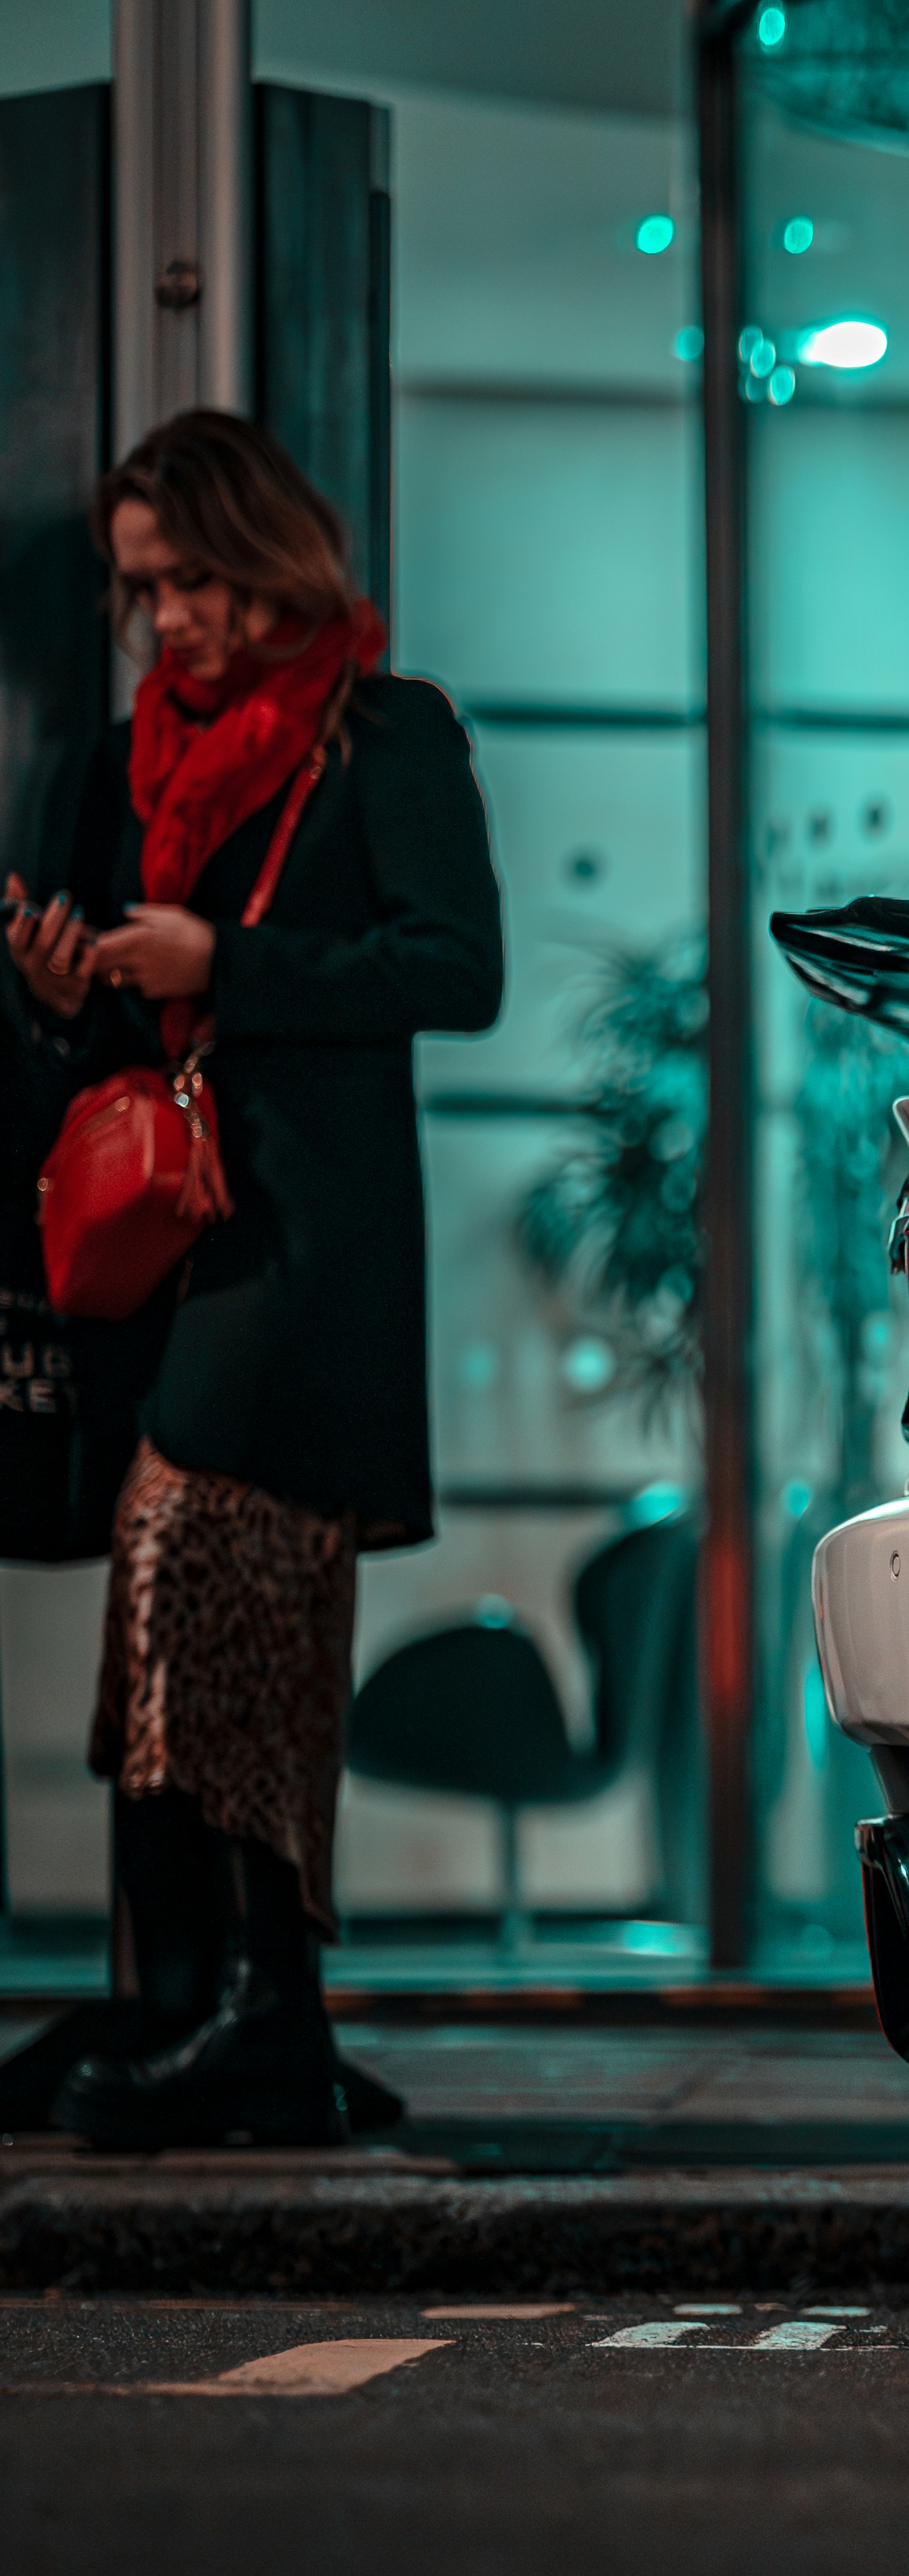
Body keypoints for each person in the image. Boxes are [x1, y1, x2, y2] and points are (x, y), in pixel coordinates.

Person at [1, 408, 503, 2146]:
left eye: (194, 580)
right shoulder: (123, 761)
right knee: (188, 1598)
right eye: (146, 591)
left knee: (192, 1550)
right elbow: (107, 1034)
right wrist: (67, 998)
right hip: (170, 1243)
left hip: (308, 1248)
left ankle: (263, 2007)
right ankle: (199, 1998)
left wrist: (231, 958)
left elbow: (457, 970)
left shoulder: (384, 731)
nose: (173, 622)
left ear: (264, 554)